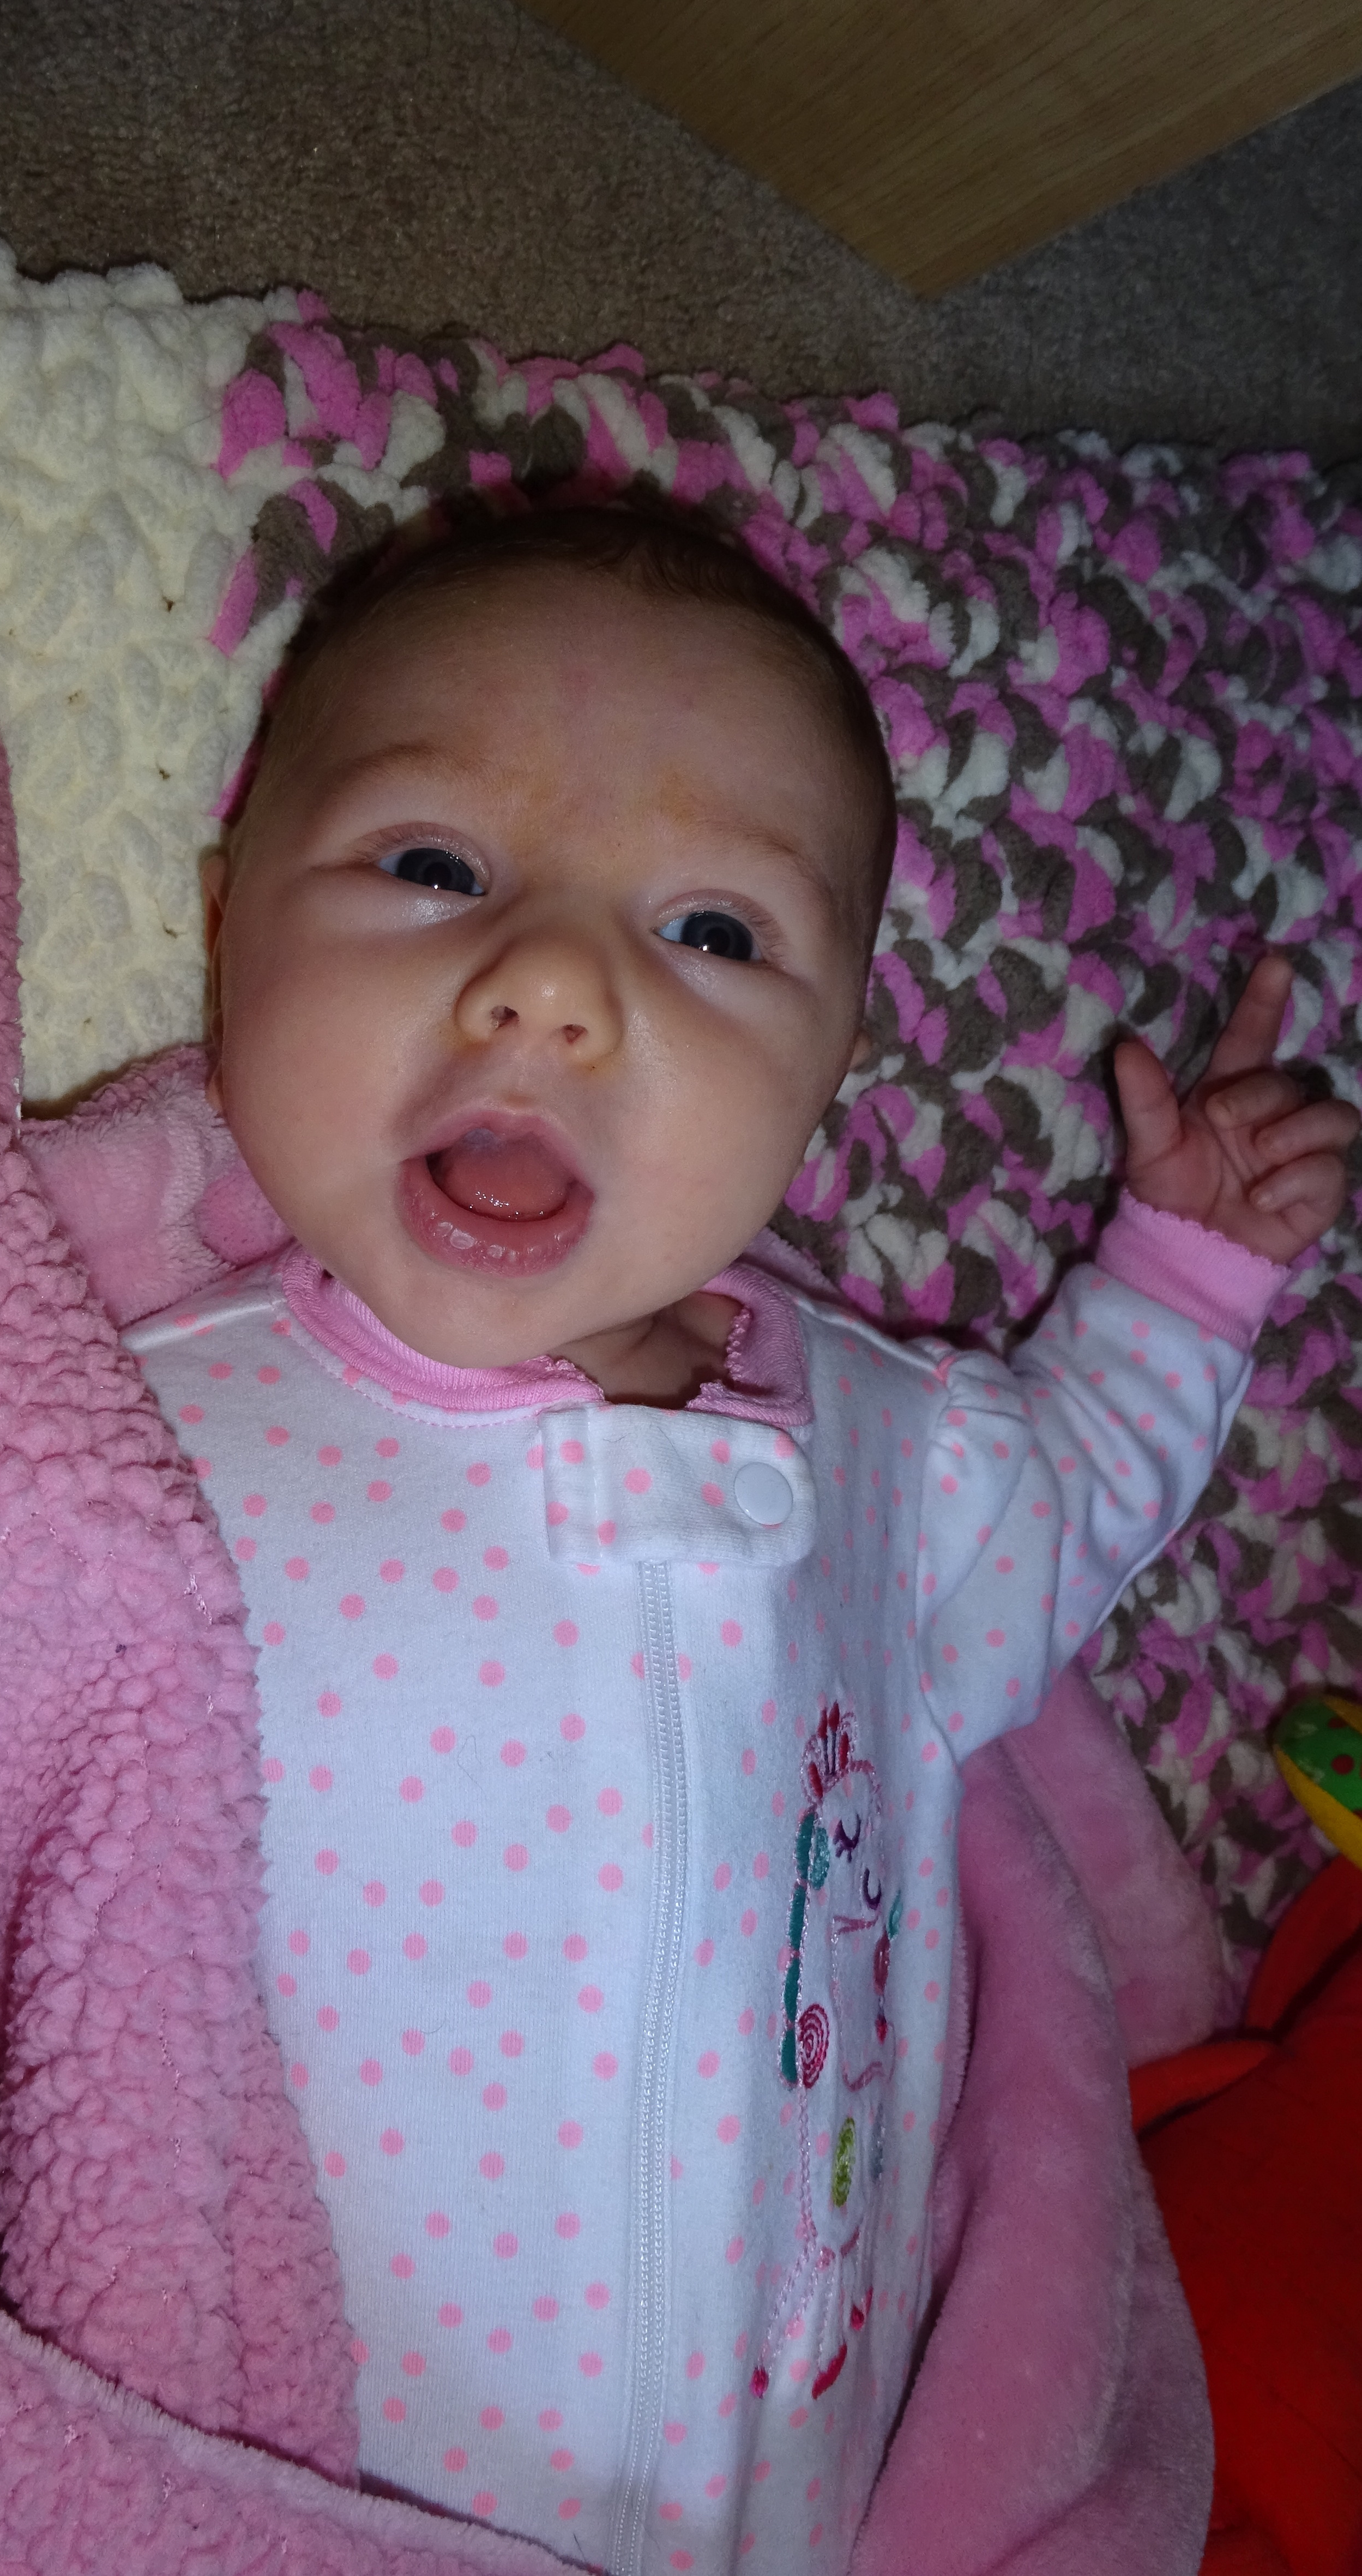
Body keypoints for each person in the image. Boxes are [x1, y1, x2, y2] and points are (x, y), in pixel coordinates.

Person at [120, 505, 1357, 2574]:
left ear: (830, 1066)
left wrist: (1181, 1277)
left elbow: (1073, 1487)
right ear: (227, 919)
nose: (548, 987)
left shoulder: (889, 1462)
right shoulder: (136, 1435)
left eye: (709, 931)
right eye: (432, 867)